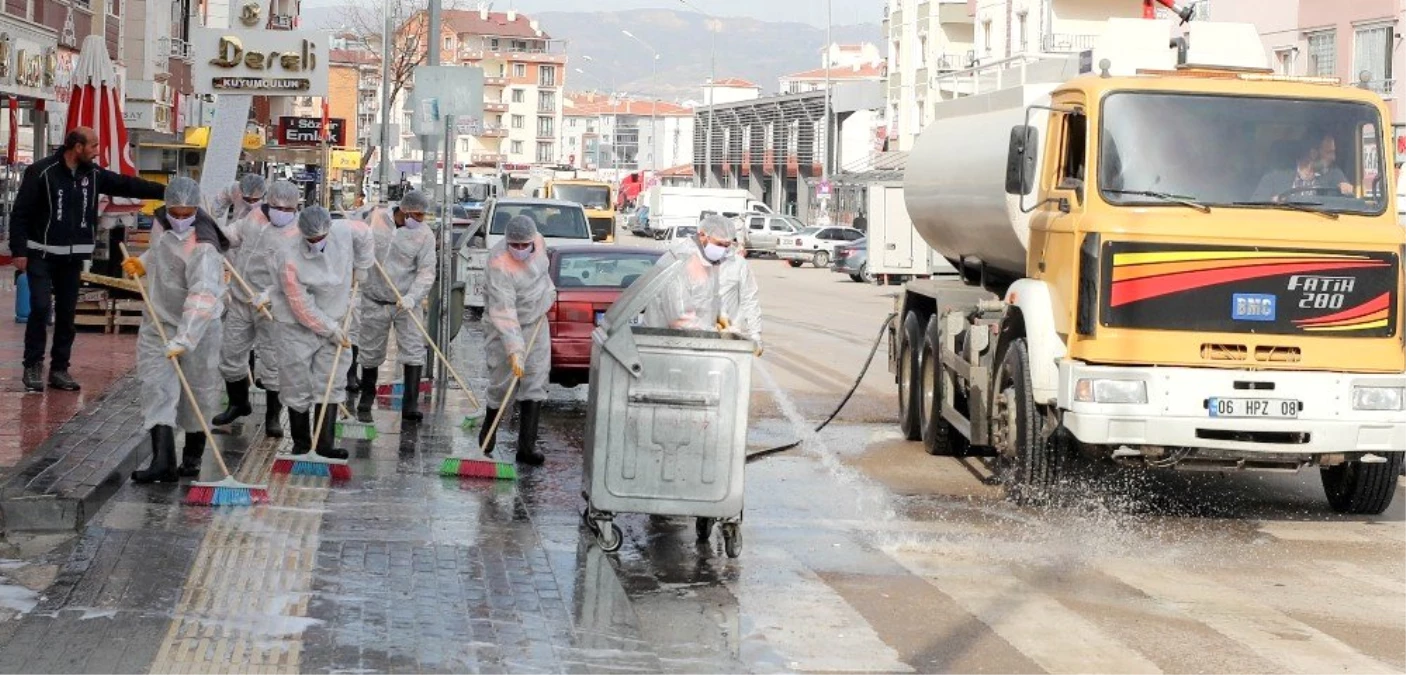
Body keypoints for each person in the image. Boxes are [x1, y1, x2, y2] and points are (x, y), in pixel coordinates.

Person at [9, 127, 166, 392]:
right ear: (77, 147)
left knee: (67, 314)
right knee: (39, 307)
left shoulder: (92, 175)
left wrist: (166, 192)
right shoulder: (41, 172)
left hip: (72, 257)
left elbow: (126, 184)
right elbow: (20, 214)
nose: (96, 151)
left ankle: (60, 369)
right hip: (40, 253)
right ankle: (32, 365)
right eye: (93, 146)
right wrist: (19, 251)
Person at [121, 178, 228, 483]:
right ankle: (163, 461)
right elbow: (160, 253)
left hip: (200, 330)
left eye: (186, 214)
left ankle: (192, 459)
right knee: (156, 386)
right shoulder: (160, 224)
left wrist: (185, 338)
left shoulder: (204, 247)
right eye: (175, 213)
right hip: (159, 321)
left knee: (199, 392)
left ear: (196, 210)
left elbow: (203, 295)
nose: (180, 220)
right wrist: (142, 263)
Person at [272, 206, 374, 459]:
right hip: (296, 324)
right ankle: (302, 443)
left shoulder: (343, 230)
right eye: (312, 240)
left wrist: (363, 264)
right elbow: (299, 304)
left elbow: (365, 234)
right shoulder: (288, 253)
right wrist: (327, 329)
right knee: (296, 381)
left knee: (330, 379)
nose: (317, 243)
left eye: (321, 238)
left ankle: (325, 444)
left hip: (338, 314)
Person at [210, 179, 301, 437]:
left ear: (295, 208)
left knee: (271, 360)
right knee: (230, 354)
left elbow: (296, 275)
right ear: (267, 204)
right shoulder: (254, 220)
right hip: (241, 298)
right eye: (276, 207)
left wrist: (270, 295)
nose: (281, 212)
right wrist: (212, 235)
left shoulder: (297, 235)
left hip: (272, 306)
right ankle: (239, 403)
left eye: (287, 209)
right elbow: (232, 236)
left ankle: (273, 416)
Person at [354, 190, 437, 424]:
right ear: (404, 209)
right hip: (374, 297)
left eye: (422, 216)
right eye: (417, 214)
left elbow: (427, 271)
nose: (420, 220)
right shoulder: (377, 218)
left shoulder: (424, 236)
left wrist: (413, 297)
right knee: (370, 352)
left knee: (412, 351)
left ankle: (410, 405)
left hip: (405, 302)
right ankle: (366, 398)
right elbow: (356, 236)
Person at [479, 215, 556, 465]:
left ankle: (527, 447)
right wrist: (514, 350)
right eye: (516, 245)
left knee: (535, 378)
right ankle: (488, 433)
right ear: (507, 241)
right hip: (502, 327)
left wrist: (548, 297)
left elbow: (543, 276)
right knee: (503, 381)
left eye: (525, 245)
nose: (520, 250)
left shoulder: (539, 242)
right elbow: (504, 310)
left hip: (536, 321)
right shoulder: (499, 263)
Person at [644, 214, 763, 355]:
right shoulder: (680, 262)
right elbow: (680, 318)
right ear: (702, 236)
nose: (723, 250)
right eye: (718, 244)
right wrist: (718, 333)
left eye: (727, 245)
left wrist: (755, 335)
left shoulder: (735, 263)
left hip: (718, 347)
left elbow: (749, 300)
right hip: (672, 347)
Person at [1253, 136, 1353, 202]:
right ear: (1313, 153)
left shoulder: (1334, 173)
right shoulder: (1275, 175)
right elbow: (1255, 204)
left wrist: (1346, 189)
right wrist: (1276, 200)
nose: (1333, 158)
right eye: (1329, 152)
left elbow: (1350, 203)